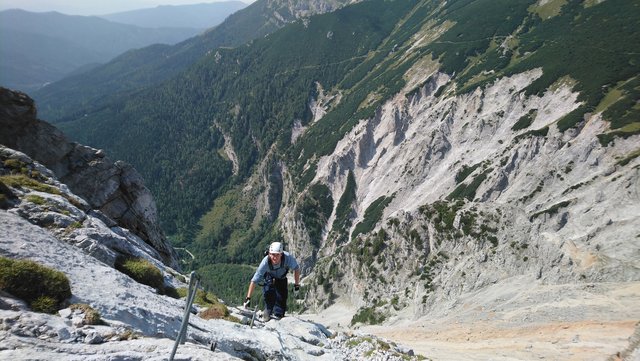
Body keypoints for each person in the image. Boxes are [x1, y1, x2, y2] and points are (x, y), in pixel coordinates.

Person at [244, 241, 300, 322]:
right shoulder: (265, 262)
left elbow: (296, 268)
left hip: (281, 278)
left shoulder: (287, 258)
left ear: (281, 254)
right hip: (269, 277)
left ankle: (278, 315)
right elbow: (254, 280)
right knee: (269, 294)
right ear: (269, 254)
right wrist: (248, 298)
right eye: (273, 254)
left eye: (277, 255)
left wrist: (297, 285)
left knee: (281, 298)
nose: (275, 257)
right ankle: (268, 311)